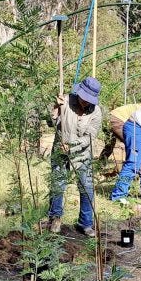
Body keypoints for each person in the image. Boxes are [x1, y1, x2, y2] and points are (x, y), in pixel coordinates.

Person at [47, 77, 103, 235]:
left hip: (82, 154)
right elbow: (52, 123)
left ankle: (85, 224)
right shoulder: (65, 101)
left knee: (86, 187)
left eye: (89, 99)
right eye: (83, 97)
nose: (85, 102)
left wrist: (71, 146)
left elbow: (90, 137)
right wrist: (56, 107)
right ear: (78, 92)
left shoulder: (96, 112)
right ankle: (55, 219)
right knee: (58, 185)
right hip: (60, 152)